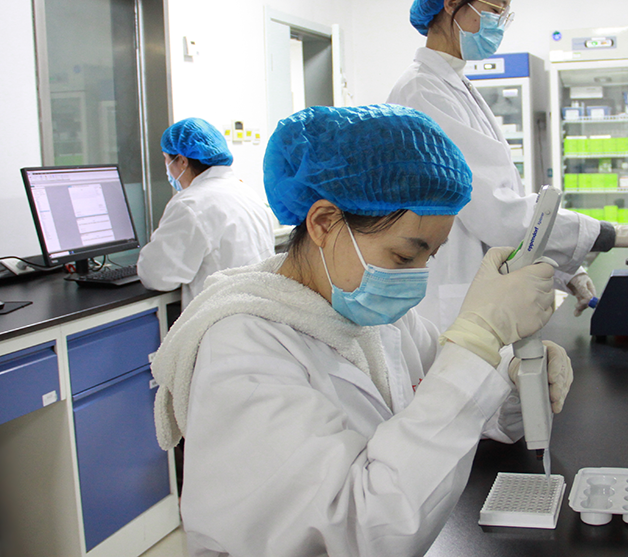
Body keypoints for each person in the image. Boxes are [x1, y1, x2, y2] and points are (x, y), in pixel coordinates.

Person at [150, 105, 573, 557]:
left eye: (430, 256)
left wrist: (512, 378)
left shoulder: (373, 317)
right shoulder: (244, 351)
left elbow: (456, 408)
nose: (417, 276)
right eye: (404, 256)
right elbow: (364, 529)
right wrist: (477, 339)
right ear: (323, 223)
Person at [387, 0, 628, 330]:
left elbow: (504, 201)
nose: (500, 24)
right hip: (450, 290)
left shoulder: (453, 85)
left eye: (505, 14)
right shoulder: (423, 92)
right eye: (496, 10)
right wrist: (609, 233)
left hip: (478, 284)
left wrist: (567, 271)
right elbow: (496, 212)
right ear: (452, 3)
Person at [137, 117, 275, 308]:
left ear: (182, 161)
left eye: (167, 160)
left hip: (224, 316)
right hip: (259, 309)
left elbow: (157, 276)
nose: (167, 170)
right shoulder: (246, 192)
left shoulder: (190, 204)